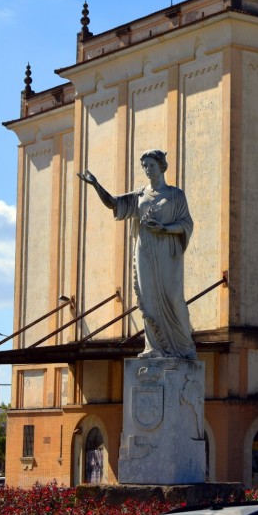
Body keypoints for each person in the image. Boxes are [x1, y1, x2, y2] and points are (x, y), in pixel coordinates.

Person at [78, 149, 196, 359]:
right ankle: (154, 348)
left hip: (167, 251)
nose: (148, 169)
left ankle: (185, 346)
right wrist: (96, 185)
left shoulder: (175, 195)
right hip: (145, 251)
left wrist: (165, 229)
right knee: (148, 300)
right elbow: (114, 203)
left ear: (161, 166)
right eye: (145, 166)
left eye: (152, 165)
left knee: (174, 298)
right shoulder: (139, 195)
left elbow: (186, 223)